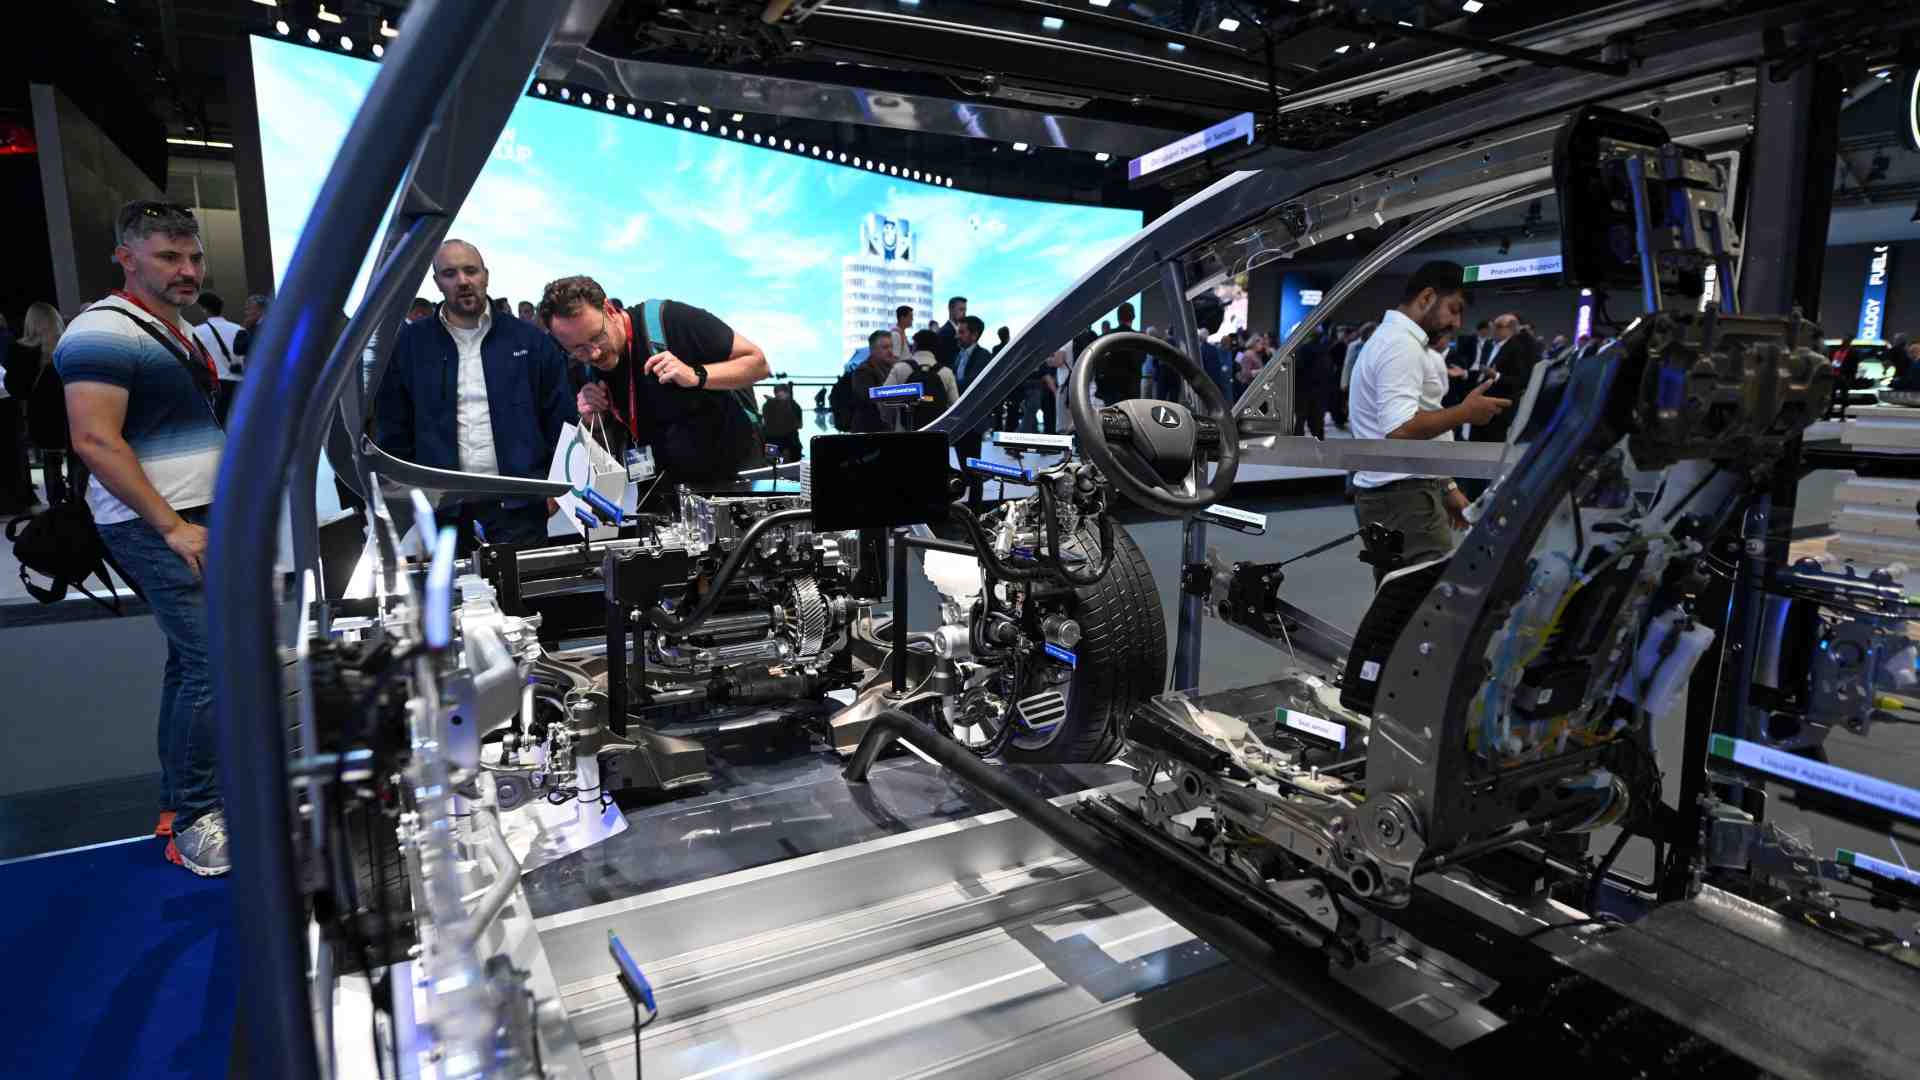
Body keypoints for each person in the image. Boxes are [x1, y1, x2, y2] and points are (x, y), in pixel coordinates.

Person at [58, 200, 230, 873]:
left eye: (193, 257)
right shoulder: (102, 330)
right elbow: (95, 439)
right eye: (169, 257)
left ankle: (184, 799)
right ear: (126, 259)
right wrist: (173, 527)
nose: (187, 270)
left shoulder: (175, 328)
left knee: (193, 662)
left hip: (195, 515)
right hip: (155, 523)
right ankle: (194, 817)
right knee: (210, 662)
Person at [375, 240, 574, 549]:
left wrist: (556, 487)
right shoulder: (410, 346)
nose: (463, 281)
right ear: (437, 282)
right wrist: (406, 495)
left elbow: (560, 417)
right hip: (444, 510)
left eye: (471, 270)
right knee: (451, 582)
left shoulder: (530, 341)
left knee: (524, 581)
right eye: (450, 274)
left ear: (486, 276)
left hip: (520, 505)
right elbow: (394, 426)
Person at [1346, 260, 1509, 585]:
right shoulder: (1400, 344)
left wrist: (1446, 486)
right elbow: (1402, 428)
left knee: (1400, 598)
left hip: (1398, 493)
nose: (1457, 323)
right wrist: (1465, 412)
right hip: (1404, 497)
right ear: (1426, 298)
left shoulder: (1395, 340)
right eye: (1453, 309)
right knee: (1422, 601)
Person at [547, 275, 770, 498]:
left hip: (730, 485)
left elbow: (758, 364)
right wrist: (595, 422)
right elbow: (609, 455)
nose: (594, 353)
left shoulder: (670, 320)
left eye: (597, 337)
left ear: (610, 310)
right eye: (578, 349)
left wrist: (695, 375)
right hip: (657, 496)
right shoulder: (583, 370)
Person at [6, 303, 82, 505]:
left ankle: (56, 508)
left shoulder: (20, 350)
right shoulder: (72, 344)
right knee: (77, 459)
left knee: (50, 460)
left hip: (41, 413)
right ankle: (77, 505)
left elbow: (16, 389)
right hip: (74, 410)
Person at [1468, 313, 1539, 446]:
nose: (1494, 329)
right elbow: (1482, 371)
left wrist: (1497, 376)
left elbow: (1521, 381)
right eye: (1493, 325)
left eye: (1499, 326)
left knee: (1491, 446)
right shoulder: (1488, 345)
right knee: (1473, 444)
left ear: (1511, 329)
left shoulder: (1518, 349)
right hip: (1480, 401)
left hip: (1500, 406)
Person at [192, 292, 245, 426]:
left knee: (219, 422)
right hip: (239, 382)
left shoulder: (197, 331)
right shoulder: (238, 328)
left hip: (215, 383)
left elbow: (197, 358)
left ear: (204, 309)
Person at [847, 330, 905, 433]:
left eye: (891, 347)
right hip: (868, 430)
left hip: (885, 428)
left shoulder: (891, 367)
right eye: (885, 347)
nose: (890, 351)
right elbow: (869, 398)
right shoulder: (863, 371)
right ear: (872, 350)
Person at [762, 382, 803, 462]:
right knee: (794, 464)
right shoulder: (794, 406)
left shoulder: (766, 405)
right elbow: (800, 425)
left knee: (772, 464)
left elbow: (765, 422)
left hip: (771, 441)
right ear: (787, 393)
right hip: (791, 441)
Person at [232, 293, 270, 359]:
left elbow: (240, 349)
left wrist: (243, 329)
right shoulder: (252, 327)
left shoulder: (268, 328)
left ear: (261, 310)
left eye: (249, 309)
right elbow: (237, 350)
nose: (246, 313)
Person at [935, 296, 968, 365]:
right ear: (951, 309)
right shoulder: (944, 333)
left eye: (965, 310)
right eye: (961, 309)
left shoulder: (963, 331)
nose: (964, 313)